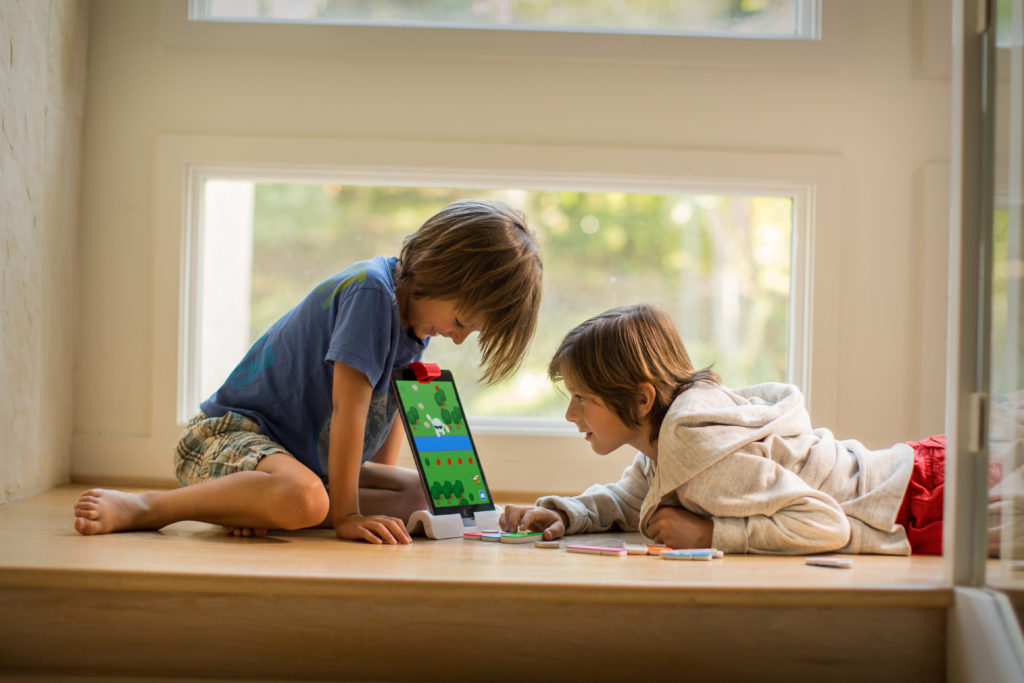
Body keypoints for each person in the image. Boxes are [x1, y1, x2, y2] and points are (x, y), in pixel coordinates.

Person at [74, 199, 543, 545]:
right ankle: (147, 507)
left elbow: (384, 424)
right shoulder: (371, 295)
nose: (458, 337)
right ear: (439, 271)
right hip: (227, 438)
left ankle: (262, 502)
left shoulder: (413, 320)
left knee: (428, 494)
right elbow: (350, 412)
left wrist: (380, 493)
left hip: (298, 465)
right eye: (461, 322)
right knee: (310, 502)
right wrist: (349, 516)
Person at [500, 303, 1005, 556]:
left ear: (640, 399)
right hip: (912, 470)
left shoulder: (695, 448)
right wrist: (564, 512)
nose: (571, 415)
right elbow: (634, 500)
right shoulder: (666, 444)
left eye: (582, 399)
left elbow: (829, 525)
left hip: (920, 500)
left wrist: (712, 532)